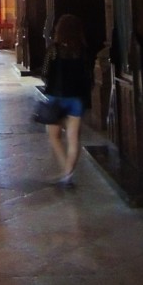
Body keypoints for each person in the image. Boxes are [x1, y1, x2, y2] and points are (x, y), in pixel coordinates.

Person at [41, 13, 92, 186]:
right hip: (76, 98)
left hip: (56, 97)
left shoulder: (53, 49)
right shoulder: (83, 51)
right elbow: (88, 75)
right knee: (73, 138)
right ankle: (68, 172)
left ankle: (66, 170)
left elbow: (45, 72)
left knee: (54, 136)